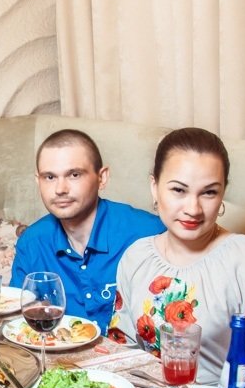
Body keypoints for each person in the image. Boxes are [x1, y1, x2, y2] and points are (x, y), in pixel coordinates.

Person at [109, 128, 245, 388]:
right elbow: (121, 350)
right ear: (154, 188)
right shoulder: (136, 256)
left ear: (222, 194)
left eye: (208, 193)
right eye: (178, 190)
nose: (193, 209)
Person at [10, 129, 163, 323]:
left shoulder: (150, 233)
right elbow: (17, 323)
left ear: (102, 178)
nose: (60, 189)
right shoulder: (31, 243)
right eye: (49, 177)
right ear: (37, 180)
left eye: (74, 175)